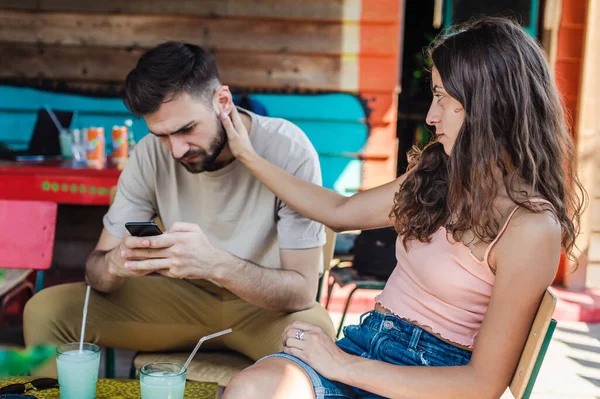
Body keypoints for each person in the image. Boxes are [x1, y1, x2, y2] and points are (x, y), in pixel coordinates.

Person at [221, 17, 585, 399]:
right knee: (252, 389)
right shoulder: (440, 175)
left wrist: (340, 364)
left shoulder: (530, 227)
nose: (430, 116)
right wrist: (248, 156)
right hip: (365, 345)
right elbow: (340, 211)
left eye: (443, 96)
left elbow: (481, 384)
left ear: (489, 100)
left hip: (431, 379)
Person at [23, 41, 335, 375]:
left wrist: (214, 263)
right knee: (45, 311)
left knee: (314, 340)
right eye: (162, 135)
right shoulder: (148, 155)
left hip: (267, 309)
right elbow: (96, 271)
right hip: (180, 303)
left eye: (187, 129)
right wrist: (115, 263)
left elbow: (302, 291)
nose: (176, 150)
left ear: (222, 102)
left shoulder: (287, 148)